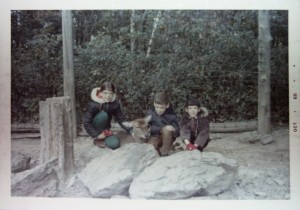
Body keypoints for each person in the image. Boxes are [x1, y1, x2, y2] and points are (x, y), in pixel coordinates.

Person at [83, 81, 131, 149]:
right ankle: (97, 139)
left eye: (110, 93)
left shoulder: (115, 104)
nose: (108, 96)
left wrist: (130, 129)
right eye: (105, 93)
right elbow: (86, 122)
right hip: (95, 128)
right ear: (101, 93)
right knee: (103, 115)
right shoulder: (93, 104)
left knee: (115, 144)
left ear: (113, 94)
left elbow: (121, 119)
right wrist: (96, 135)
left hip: (106, 129)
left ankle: (104, 135)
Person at [146, 92, 180, 156]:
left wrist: (174, 129)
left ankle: (164, 152)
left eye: (162, 107)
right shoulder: (150, 113)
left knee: (166, 130)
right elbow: (147, 127)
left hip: (167, 138)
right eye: (157, 107)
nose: (159, 110)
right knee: (150, 148)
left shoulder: (171, 115)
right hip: (154, 136)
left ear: (167, 105)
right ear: (154, 104)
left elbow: (178, 132)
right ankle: (163, 148)